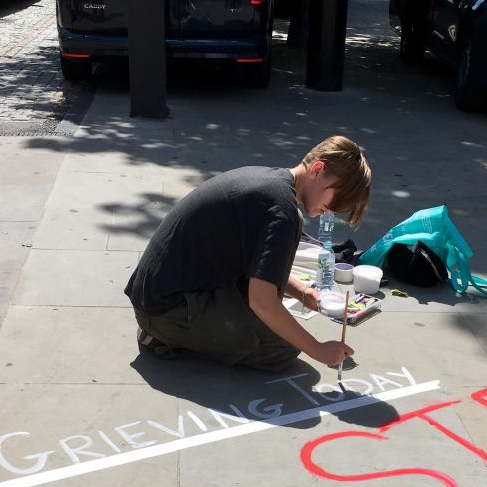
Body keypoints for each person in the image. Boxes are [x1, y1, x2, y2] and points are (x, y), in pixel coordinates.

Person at [125, 136, 371, 373]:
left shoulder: (272, 186)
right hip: (164, 307)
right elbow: (262, 301)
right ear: (317, 170)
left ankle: (186, 327)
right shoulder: (281, 212)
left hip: (165, 289)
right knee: (281, 348)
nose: (333, 210)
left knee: (276, 320)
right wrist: (317, 349)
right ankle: (164, 335)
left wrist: (304, 293)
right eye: (335, 200)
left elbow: (260, 265)